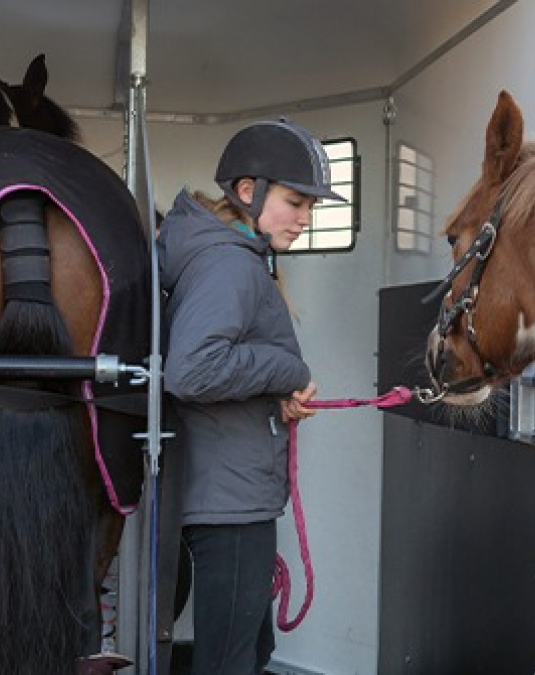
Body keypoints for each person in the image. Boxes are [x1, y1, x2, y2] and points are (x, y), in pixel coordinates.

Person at [157, 118, 346, 673]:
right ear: (248, 191)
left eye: (310, 205)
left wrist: (274, 395)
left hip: (226, 488)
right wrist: (287, 369)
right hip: (230, 503)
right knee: (231, 662)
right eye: (295, 202)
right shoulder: (229, 264)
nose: (305, 218)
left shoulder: (226, 254)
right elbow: (191, 370)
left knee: (247, 651)